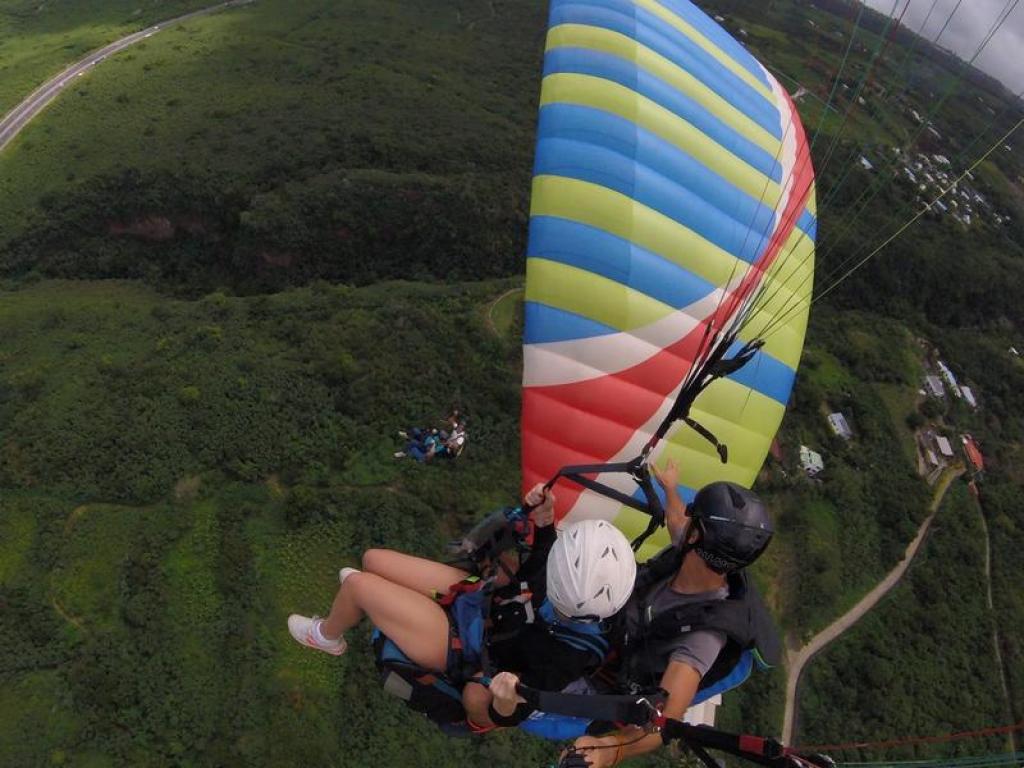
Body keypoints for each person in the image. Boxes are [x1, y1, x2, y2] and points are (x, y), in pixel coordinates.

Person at [286, 485, 636, 732]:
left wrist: (503, 697)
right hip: (481, 604)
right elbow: (544, 557)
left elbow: (508, 714)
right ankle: (370, 601)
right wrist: (544, 519)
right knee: (372, 559)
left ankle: (326, 635)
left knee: (357, 585)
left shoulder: (568, 656)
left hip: (468, 649)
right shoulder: (576, 581)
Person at [549, 461, 778, 766]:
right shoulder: (694, 550)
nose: (686, 521)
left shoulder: (703, 639)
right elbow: (676, 520)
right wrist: (670, 487)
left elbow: (664, 721)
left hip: (611, 676)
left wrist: (608, 751)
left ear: (699, 536)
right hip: (616, 626)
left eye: (693, 521)